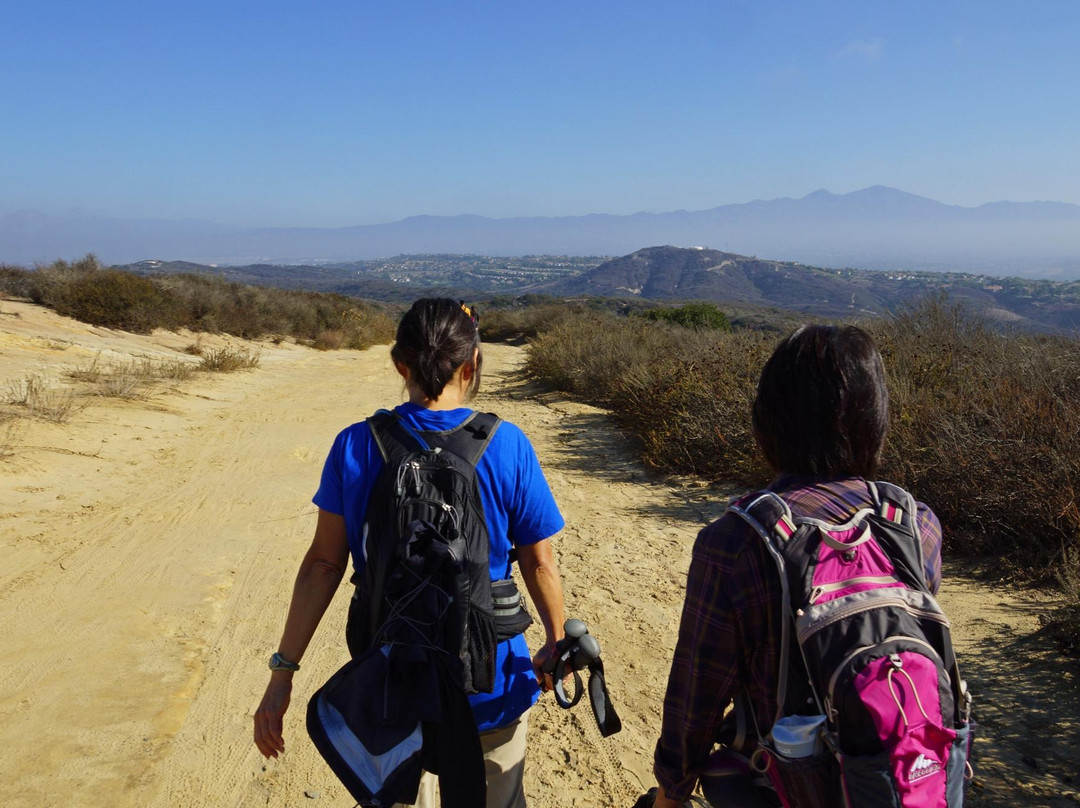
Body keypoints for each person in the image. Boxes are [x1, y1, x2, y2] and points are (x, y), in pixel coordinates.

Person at [254, 298, 567, 808]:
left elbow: (323, 565)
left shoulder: (355, 445)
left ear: (400, 365)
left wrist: (282, 672)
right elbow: (540, 563)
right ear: (473, 364)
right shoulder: (508, 445)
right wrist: (556, 642)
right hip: (490, 679)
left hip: (391, 675)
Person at [649, 324, 944, 808]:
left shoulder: (735, 541)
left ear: (768, 421)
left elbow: (696, 691)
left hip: (786, 784)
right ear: (876, 421)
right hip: (906, 773)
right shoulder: (915, 526)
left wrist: (672, 790)